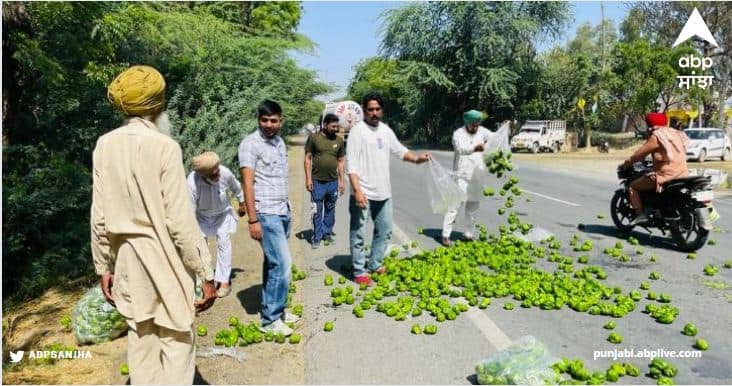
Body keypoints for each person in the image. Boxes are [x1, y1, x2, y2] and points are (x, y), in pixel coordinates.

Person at [92, 65, 216, 384]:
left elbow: (100, 214)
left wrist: (103, 266)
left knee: (141, 336)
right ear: (158, 105)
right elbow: (179, 219)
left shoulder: (105, 145)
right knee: (176, 339)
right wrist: (205, 272)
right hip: (165, 257)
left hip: (128, 260)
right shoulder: (165, 146)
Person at [346, 92, 431, 286]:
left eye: (377, 109)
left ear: (382, 110)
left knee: (384, 231)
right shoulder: (357, 131)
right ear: (364, 110)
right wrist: (357, 191)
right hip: (364, 193)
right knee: (358, 233)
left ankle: (375, 263)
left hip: (384, 193)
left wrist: (417, 159)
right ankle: (359, 270)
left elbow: (400, 151)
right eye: (370, 109)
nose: (374, 113)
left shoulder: (385, 130)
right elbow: (351, 165)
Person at [238, 100, 299, 336]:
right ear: (258, 120)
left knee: (272, 263)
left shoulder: (280, 142)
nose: (269, 125)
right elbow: (247, 183)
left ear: (280, 121)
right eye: (264, 120)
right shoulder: (250, 144)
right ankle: (270, 320)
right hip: (266, 213)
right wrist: (253, 220)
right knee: (283, 265)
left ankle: (277, 309)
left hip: (282, 210)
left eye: (274, 120)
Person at [187, 151, 246, 298]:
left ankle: (224, 281)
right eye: (213, 174)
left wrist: (242, 203)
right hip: (201, 217)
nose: (217, 175)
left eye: (217, 170)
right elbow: (190, 210)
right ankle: (202, 282)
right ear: (203, 174)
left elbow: (237, 187)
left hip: (222, 214)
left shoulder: (224, 172)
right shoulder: (192, 182)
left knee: (224, 243)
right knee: (199, 248)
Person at [620, 112, 690, 224]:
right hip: (683, 174)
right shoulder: (676, 133)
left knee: (632, 186)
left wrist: (626, 164)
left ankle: (640, 214)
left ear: (649, 124)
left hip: (667, 175)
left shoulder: (657, 136)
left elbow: (639, 154)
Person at [441, 110, 493, 247]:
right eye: (473, 125)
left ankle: (468, 234)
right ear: (467, 123)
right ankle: (446, 235)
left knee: (473, 206)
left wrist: (505, 129)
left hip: (478, 174)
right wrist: (475, 148)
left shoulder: (482, 131)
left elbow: (494, 137)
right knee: (455, 205)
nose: (475, 128)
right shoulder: (458, 133)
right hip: (462, 175)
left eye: (477, 125)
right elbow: (460, 149)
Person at [305, 113, 346, 249]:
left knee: (330, 209)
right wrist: (308, 178)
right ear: (325, 124)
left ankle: (327, 233)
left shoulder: (339, 141)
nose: (336, 129)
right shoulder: (314, 138)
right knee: (317, 210)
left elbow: (340, 161)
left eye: (337, 126)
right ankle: (316, 236)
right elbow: (308, 158)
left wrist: (341, 181)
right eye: (333, 126)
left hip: (332, 182)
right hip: (317, 182)